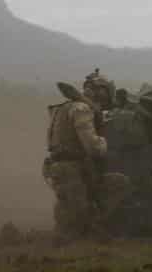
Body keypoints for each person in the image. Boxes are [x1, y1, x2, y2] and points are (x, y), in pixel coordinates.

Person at [44, 78, 109, 243]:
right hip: (70, 167)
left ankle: (64, 243)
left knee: (66, 208)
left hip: (57, 166)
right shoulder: (81, 109)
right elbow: (92, 146)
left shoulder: (61, 109)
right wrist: (104, 144)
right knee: (78, 215)